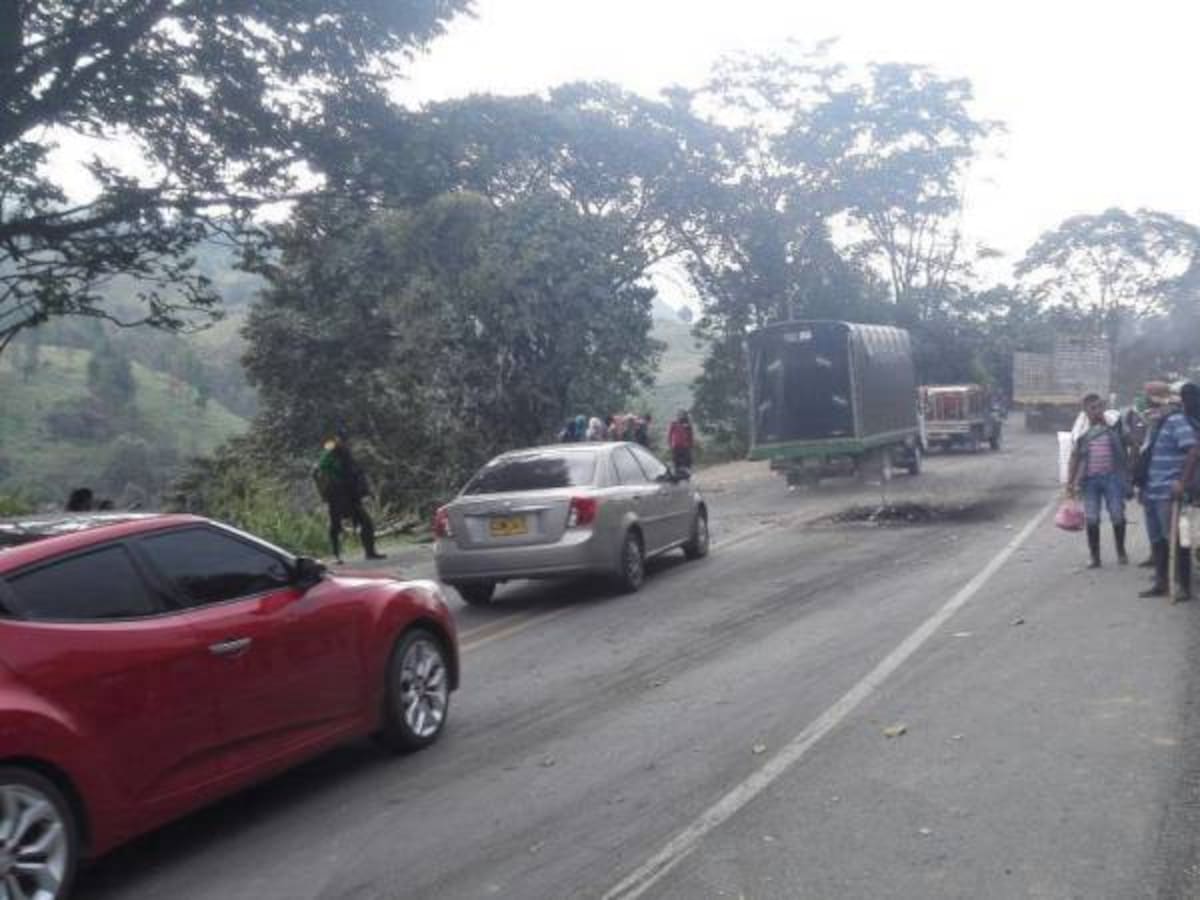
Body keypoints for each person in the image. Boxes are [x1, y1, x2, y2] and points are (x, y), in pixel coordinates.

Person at [1134, 383, 1199, 601]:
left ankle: (1183, 587)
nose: (1151, 407)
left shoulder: (1176, 421)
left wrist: (1181, 482)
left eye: (1153, 402)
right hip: (1151, 491)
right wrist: (1142, 487)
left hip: (1167, 491)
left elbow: (1192, 450)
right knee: (1157, 540)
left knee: (1175, 539)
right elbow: (1147, 456)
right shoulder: (1157, 424)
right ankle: (1162, 582)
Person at [1066, 393, 1130, 567]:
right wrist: (1070, 483)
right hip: (1090, 481)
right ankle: (1095, 557)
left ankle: (1121, 552)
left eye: (1099, 406)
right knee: (1092, 519)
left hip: (1113, 479)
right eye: (1092, 408)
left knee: (1117, 515)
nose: (1096, 411)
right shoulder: (1081, 431)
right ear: (1085, 411)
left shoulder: (1114, 424)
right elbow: (1075, 457)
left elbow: (1130, 442)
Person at [313, 428, 385, 564]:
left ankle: (370, 552)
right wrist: (335, 476)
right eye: (340, 438)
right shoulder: (331, 448)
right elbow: (321, 466)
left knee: (366, 522)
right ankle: (336, 556)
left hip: (350, 494)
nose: (343, 441)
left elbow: (353, 471)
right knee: (336, 526)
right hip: (336, 494)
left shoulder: (346, 452)